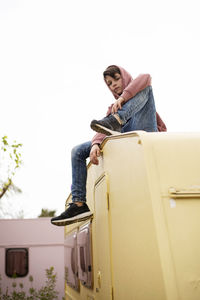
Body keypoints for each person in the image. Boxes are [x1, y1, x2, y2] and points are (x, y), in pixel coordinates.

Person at [51, 65, 167, 226]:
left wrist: (123, 98)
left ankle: (117, 121)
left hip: (145, 130)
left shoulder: (142, 90)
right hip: (122, 133)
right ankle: (79, 205)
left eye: (116, 79)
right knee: (77, 151)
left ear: (125, 77)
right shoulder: (112, 108)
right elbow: (101, 128)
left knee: (146, 89)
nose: (113, 85)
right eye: (109, 83)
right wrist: (95, 144)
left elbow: (146, 76)